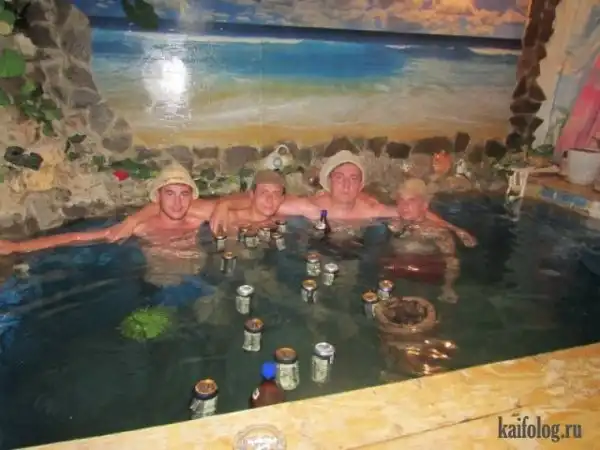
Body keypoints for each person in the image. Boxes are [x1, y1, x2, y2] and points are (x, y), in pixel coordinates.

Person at [0, 162, 213, 256]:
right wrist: (16, 247)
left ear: (192, 197)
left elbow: (230, 205)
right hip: (160, 282)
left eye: (184, 194)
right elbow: (74, 237)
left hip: (199, 281)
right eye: (170, 193)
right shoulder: (141, 228)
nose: (178, 203)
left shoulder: (199, 220)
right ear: (157, 197)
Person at [381, 178, 477, 303]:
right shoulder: (394, 223)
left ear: (424, 205)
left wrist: (448, 288)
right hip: (394, 276)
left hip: (424, 281)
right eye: (401, 200)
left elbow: (452, 261)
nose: (404, 206)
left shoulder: (437, 232)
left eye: (412, 200)